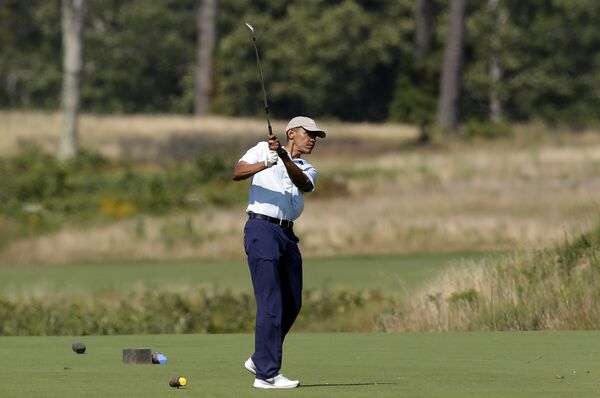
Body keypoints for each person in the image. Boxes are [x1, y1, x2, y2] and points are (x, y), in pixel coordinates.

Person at [232, 116, 326, 389]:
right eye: (309, 134)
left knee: (292, 302)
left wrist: (283, 157)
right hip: (262, 230)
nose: (313, 140)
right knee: (270, 301)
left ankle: (260, 358)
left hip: (287, 235)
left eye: (316, 137)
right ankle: (267, 375)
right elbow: (237, 172)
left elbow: (303, 185)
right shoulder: (262, 149)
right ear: (292, 133)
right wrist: (266, 162)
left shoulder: (307, 167)